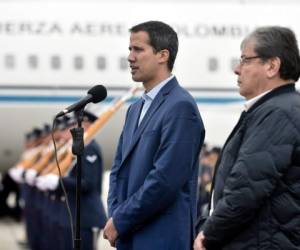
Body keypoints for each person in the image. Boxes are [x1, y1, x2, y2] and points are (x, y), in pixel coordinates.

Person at [194, 26, 300, 250]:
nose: (236, 69)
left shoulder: (278, 113)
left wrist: (208, 234)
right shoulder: (273, 109)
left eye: (245, 60)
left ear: (272, 66)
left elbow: (247, 188)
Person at [104, 20, 205, 250]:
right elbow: (118, 170)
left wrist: (121, 220)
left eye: (138, 49)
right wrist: (116, 216)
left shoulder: (180, 107)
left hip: (161, 239)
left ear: (162, 55)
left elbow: (165, 181)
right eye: (130, 49)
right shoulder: (135, 109)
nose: (130, 57)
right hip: (129, 236)